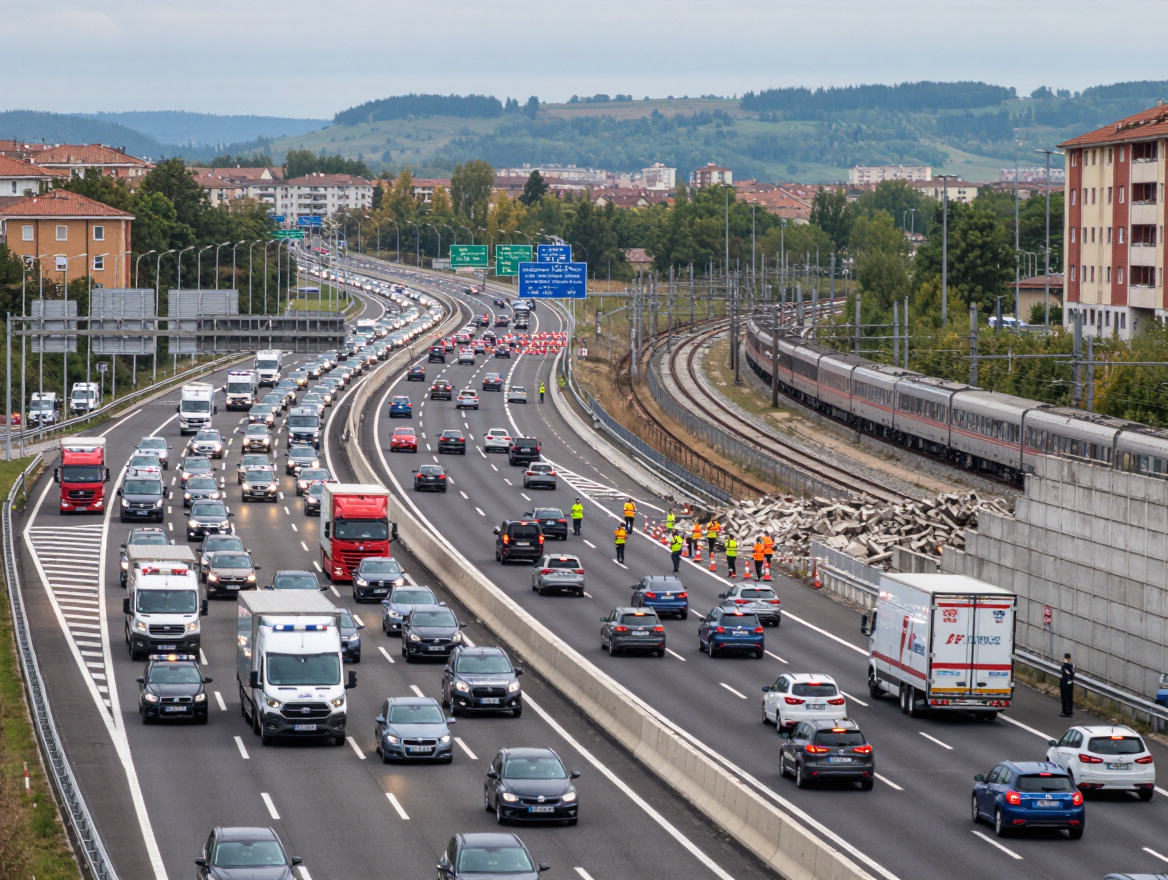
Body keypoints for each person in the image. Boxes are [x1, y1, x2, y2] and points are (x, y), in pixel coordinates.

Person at [1059, 653, 1075, 717]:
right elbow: (1072, 675)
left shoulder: (1065, 666)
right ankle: (1070, 711)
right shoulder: (1071, 666)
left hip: (1064, 684)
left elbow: (1064, 674)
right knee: (1069, 698)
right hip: (1070, 684)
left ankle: (1065, 711)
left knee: (1064, 698)